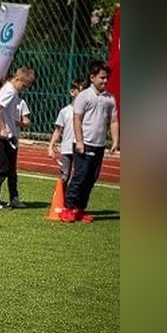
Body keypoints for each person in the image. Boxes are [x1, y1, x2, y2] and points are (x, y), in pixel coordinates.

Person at [62, 61, 120, 223]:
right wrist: (79, 141)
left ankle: (80, 209)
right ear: (92, 77)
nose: (105, 81)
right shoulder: (84, 96)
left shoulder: (110, 99)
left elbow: (113, 120)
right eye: (102, 77)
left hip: (99, 145)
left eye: (106, 78)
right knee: (80, 176)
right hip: (84, 143)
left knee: (91, 178)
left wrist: (115, 140)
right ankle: (67, 207)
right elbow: (77, 119)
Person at [0, 66, 35, 209]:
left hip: (5, 133)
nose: (24, 88)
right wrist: (3, 128)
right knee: (1, 166)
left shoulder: (11, 91)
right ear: (17, 79)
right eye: (23, 85)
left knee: (6, 166)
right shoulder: (9, 91)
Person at [46, 78, 88, 193]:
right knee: (65, 175)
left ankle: (74, 200)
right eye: (80, 91)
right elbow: (58, 130)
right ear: (72, 92)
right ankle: (61, 199)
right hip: (67, 148)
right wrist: (51, 146)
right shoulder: (65, 111)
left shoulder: (87, 112)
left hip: (81, 147)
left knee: (79, 176)